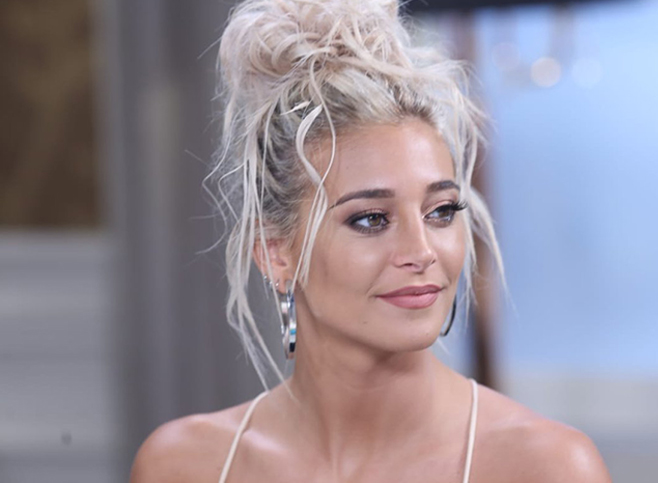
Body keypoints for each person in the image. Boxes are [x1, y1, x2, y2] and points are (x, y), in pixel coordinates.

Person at [130, 0, 612, 481]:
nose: (422, 252)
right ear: (276, 253)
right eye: (371, 219)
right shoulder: (184, 465)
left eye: (441, 212)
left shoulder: (545, 467)